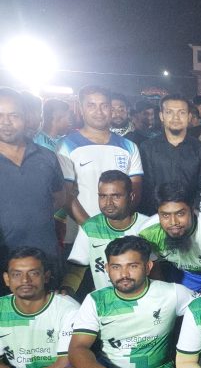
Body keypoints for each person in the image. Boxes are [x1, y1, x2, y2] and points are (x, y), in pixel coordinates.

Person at [53, 236, 196, 368]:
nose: (124, 274)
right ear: (107, 269)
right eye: (116, 267)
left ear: (148, 267)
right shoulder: (96, 300)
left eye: (133, 266)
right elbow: (78, 348)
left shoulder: (172, 293)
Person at [0, 247, 81, 368]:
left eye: (33, 273)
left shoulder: (67, 308)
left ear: (46, 276)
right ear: (7, 279)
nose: (25, 280)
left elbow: (65, 362)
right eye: (17, 274)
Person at [57, 85, 143, 247]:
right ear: (81, 109)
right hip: (81, 235)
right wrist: (94, 229)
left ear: (110, 109)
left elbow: (135, 191)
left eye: (104, 106)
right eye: (91, 105)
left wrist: (116, 225)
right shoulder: (66, 146)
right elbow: (66, 194)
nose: (99, 111)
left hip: (119, 235)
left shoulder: (129, 146)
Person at [0, 88, 66, 262]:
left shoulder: (47, 157)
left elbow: (59, 198)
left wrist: (32, 215)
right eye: (0, 115)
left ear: (26, 117)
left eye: (13, 115)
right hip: (4, 259)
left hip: (44, 257)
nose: (5, 122)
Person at [62, 171, 149, 294]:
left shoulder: (147, 227)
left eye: (116, 196)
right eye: (103, 196)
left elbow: (156, 272)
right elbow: (76, 270)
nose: (108, 203)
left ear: (131, 196)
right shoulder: (91, 227)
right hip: (106, 302)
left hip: (141, 301)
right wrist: (66, 290)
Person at [139, 183, 201, 293]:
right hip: (185, 274)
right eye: (165, 215)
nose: (173, 222)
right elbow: (154, 269)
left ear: (192, 209)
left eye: (180, 214)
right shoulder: (147, 233)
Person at [139, 94, 201, 216]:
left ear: (189, 117)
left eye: (181, 112)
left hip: (192, 217)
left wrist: (191, 216)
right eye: (169, 112)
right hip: (156, 216)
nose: (176, 117)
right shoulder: (147, 148)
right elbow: (147, 189)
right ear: (161, 116)